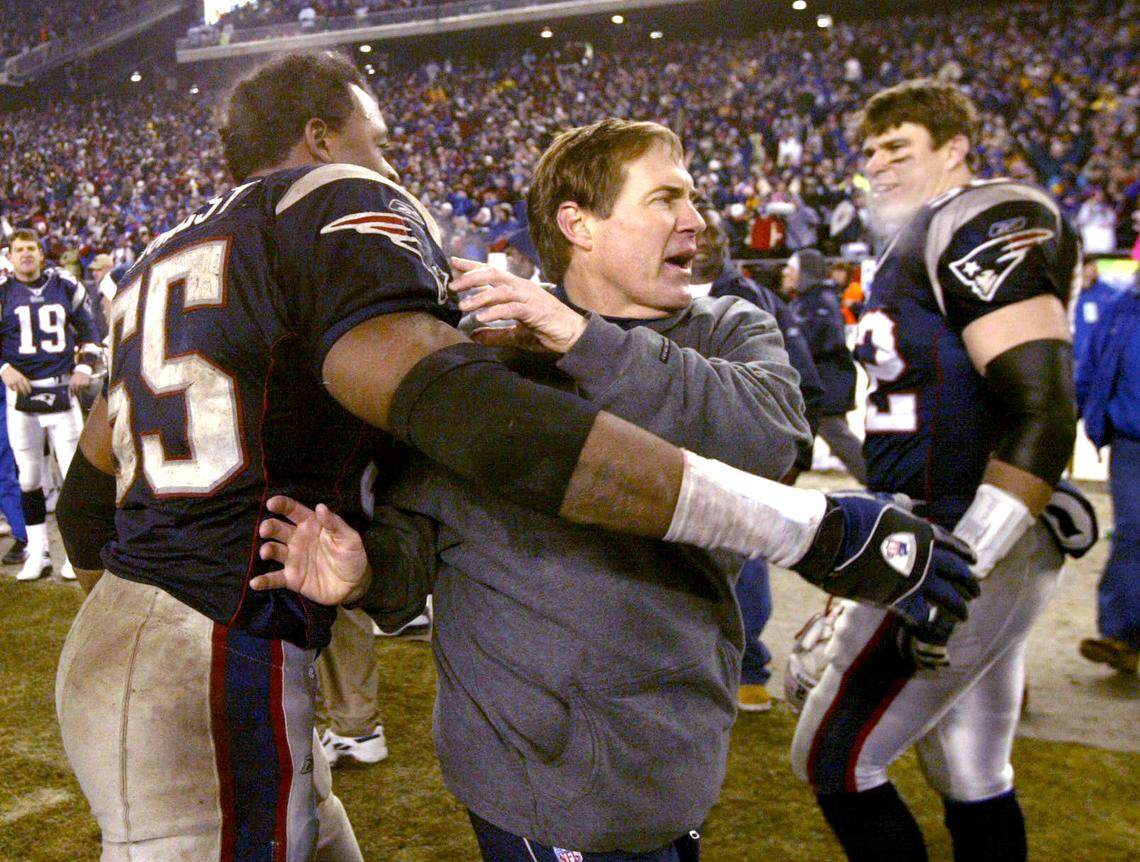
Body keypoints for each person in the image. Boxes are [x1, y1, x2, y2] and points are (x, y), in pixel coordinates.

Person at [56, 53, 974, 862]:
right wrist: (802, 526)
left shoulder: (166, 253)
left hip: (168, 647)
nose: (392, 168)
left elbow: (83, 503)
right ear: (321, 138)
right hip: (215, 657)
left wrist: (140, 609)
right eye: (378, 144)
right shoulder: (338, 199)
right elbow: (462, 413)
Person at [790, 78, 1084, 862]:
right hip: (929, 517)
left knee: (834, 757)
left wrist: (960, 564)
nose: (878, 165)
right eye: (871, 152)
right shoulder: (913, 236)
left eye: (899, 147)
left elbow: (1043, 411)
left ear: (954, 149)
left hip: (965, 528)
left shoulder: (981, 215)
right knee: (969, 767)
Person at [691, 204, 824, 711]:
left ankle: (749, 666)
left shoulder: (748, 299)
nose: (694, 242)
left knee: (742, 562)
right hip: (679, 451)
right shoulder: (654, 292)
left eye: (704, 233)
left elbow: (805, 386)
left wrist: (790, 464)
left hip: (737, 457)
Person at [0, 228, 99, 581]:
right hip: (22, 396)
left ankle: (75, 554)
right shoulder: (2, 293)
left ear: (41, 254)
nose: (26, 254)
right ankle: (37, 553)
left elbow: (89, 329)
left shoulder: (66, 286)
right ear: (9, 256)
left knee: (73, 476)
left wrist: (85, 366)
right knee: (28, 476)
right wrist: (4, 367)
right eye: (19, 249)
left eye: (32, 249)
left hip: (61, 392)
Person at [1075, 263, 1140, 674]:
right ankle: (1121, 636)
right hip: (1131, 443)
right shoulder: (1119, 309)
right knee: (1133, 533)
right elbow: (1090, 370)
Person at [781, 248, 868, 484]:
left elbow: (824, 340)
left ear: (805, 274)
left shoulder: (821, 302)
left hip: (824, 386)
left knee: (839, 439)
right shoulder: (807, 301)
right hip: (818, 384)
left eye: (791, 269)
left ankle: (878, 480)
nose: (785, 273)